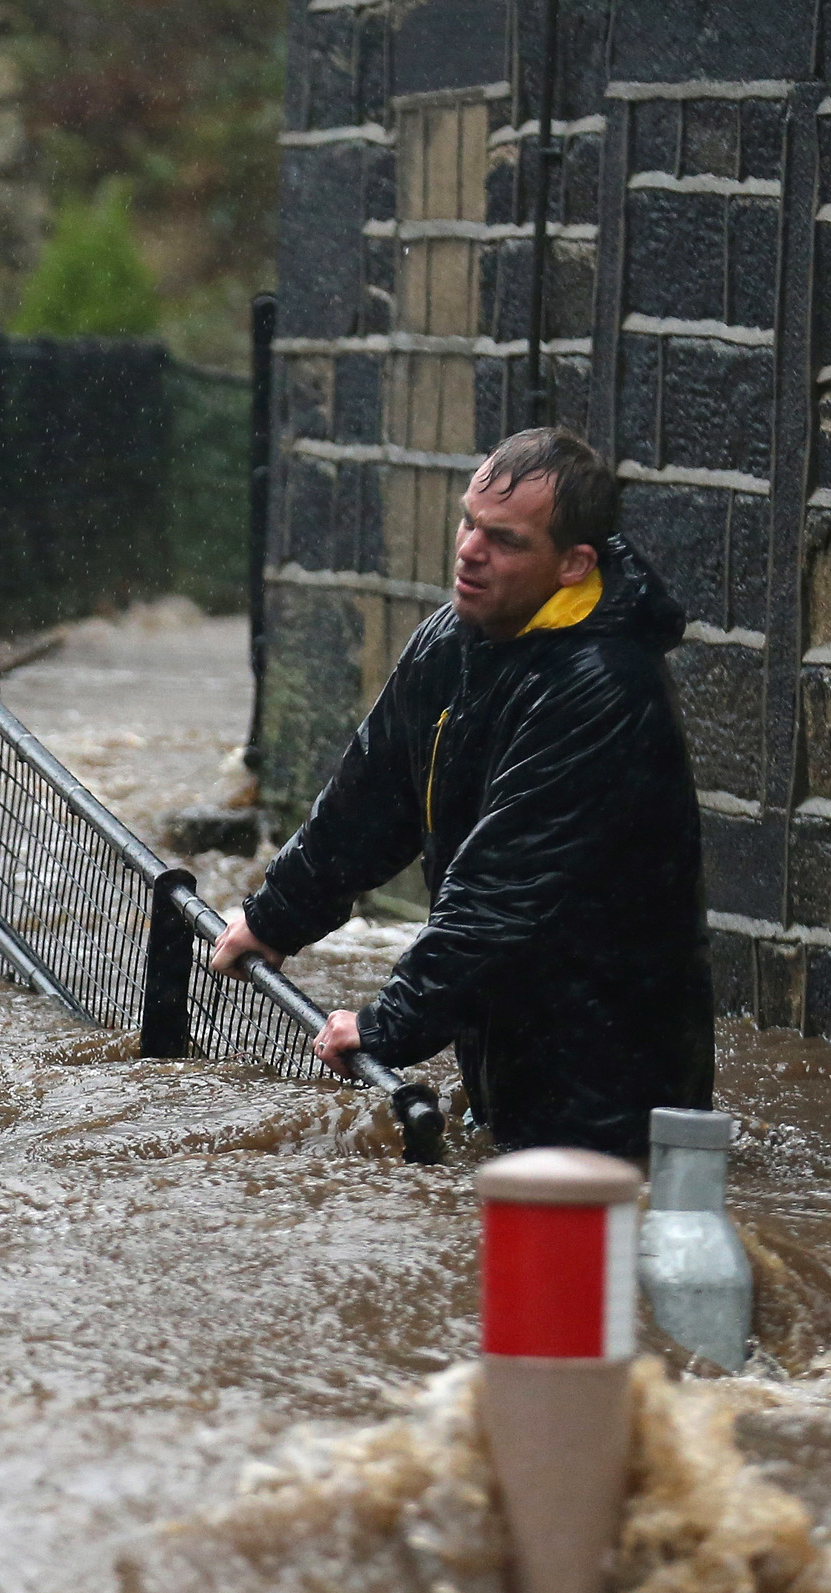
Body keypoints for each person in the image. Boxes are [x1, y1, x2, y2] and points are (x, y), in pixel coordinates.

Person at [206, 426, 713, 1158]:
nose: (471, 550)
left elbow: (504, 890)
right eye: (468, 522)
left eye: (505, 539)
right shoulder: (454, 639)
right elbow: (370, 798)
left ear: (574, 565)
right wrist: (275, 917)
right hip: (504, 1050)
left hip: (612, 1080)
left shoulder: (603, 686)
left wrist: (389, 1026)